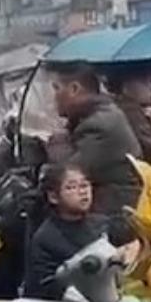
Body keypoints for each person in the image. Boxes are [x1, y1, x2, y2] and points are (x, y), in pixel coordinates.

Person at [49, 66, 142, 220]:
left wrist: (57, 143)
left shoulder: (99, 125)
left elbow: (68, 174)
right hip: (113, 206)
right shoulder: (96, 115)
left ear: (74, 89)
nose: (54, 97)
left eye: (57, 88)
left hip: (117, 214)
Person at [24, 162, 107, 301]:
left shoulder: (102, 224)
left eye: (85, 185)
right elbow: (44, 285)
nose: (82, 192)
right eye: (72, 187)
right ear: (53, 197)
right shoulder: (46, 238)